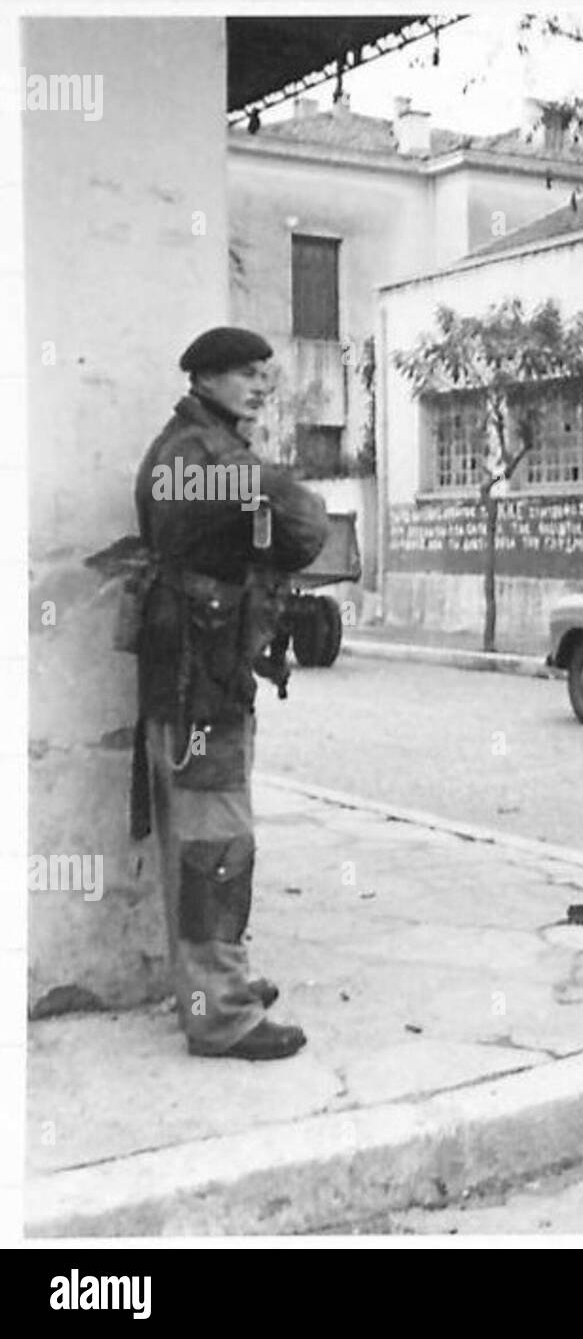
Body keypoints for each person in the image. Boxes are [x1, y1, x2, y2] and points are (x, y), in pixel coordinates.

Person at [131, 327, 328, 1061]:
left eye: (264, 374)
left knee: (200, 836)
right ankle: (222, 1013)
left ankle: (210, 985)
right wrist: (267, 507)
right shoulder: (197, 457)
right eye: (246, 374)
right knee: (215, 843)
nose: (262, 385)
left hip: (196, 670)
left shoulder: (196, 447)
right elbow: (303, 521)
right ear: (206, 379)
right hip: (199, 678)